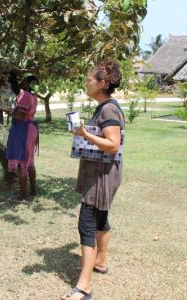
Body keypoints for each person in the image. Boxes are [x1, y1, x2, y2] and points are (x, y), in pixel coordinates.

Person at [61, 61, 125, 300]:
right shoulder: (106, 106)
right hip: (103, 174)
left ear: (103, 84)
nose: (86, 83)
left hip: (101, 176)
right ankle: (100, 262)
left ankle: (84, 286)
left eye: (90, 79)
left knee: (86, 223)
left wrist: (85, 134)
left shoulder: (108, 109)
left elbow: (113, 144)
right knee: (101, 218)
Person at [6, 75, 39, 202]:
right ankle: (33, 191)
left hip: (23, 130)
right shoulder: (32, 96)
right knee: (30, 161)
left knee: (21, 162)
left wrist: (10, 111)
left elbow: (20, 115)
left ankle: (23, 195)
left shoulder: (24, 96)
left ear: (25, 83)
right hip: (30, 128)